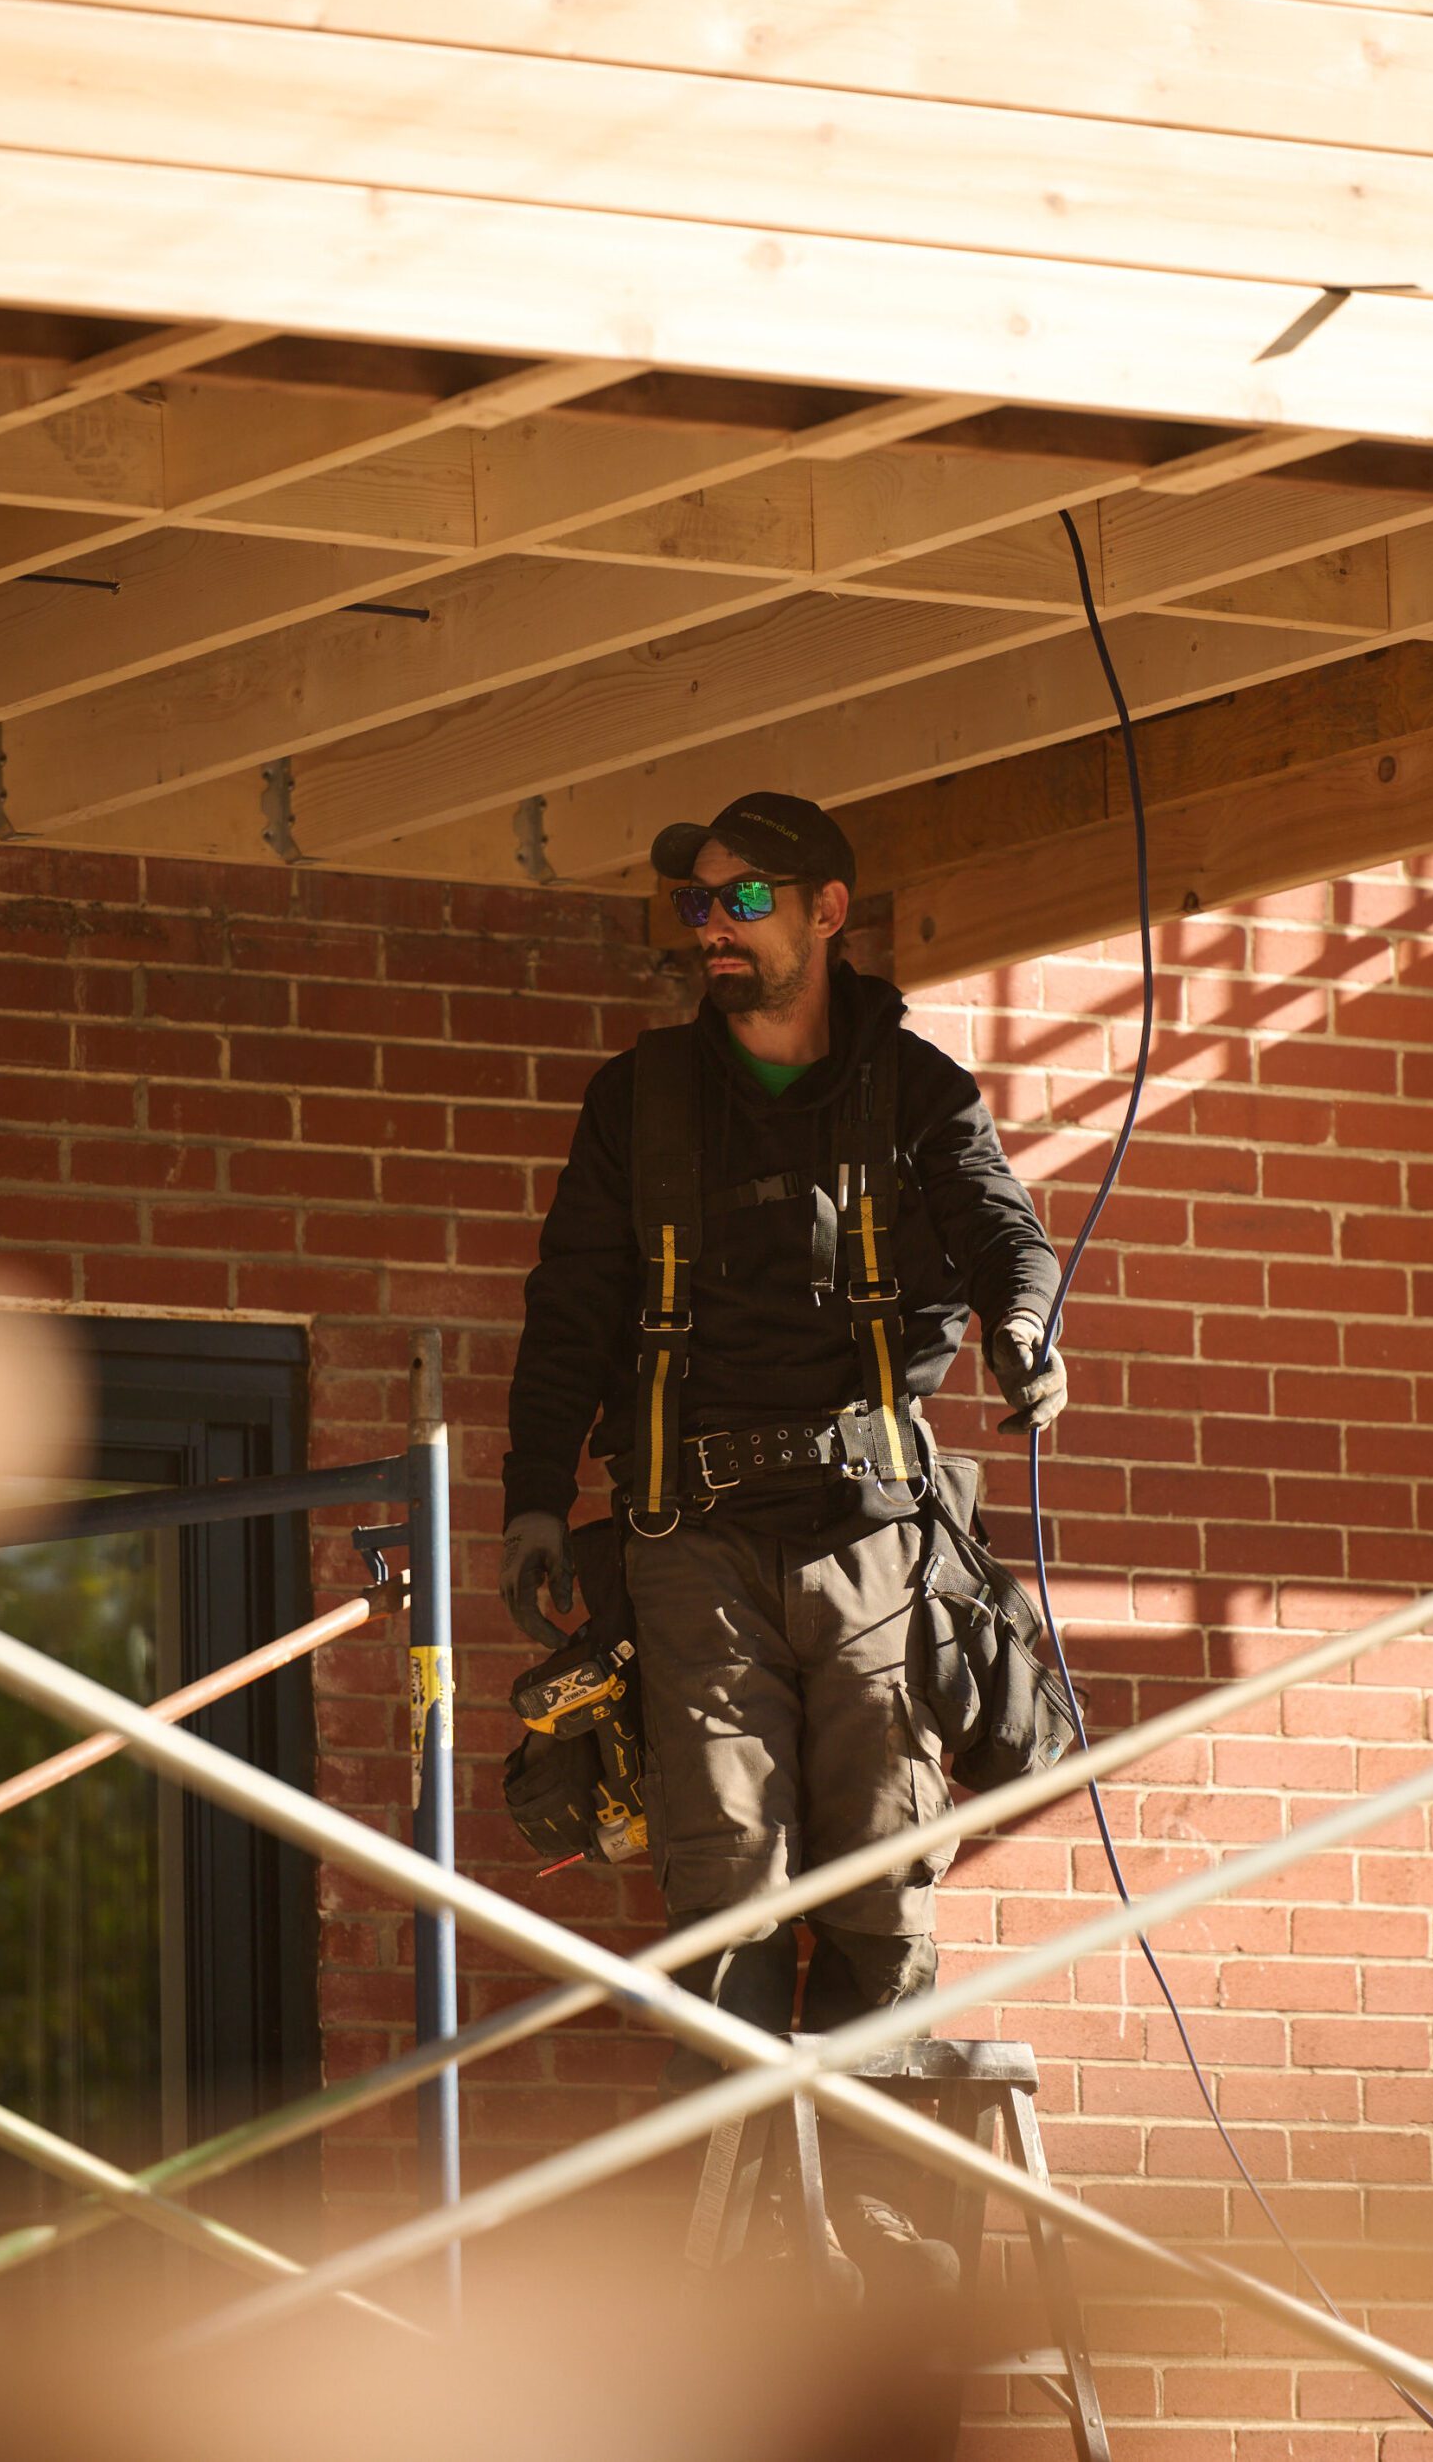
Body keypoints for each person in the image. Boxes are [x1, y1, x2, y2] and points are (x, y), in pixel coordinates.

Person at [500, 791, 1066, 2290]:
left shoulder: (915, 1087)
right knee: (729, 1893)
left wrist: (1024, 1324)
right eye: (696, 904)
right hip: (689, 1542)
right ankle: (750, 2253)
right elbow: (570, 1307)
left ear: (828, 910)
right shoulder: (639, 1101)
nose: (714, 929)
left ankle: (880, 2232)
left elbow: (1006, 1229)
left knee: (879, 1880)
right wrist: (533, 1493)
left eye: (744, 899)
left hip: (875, 1539)